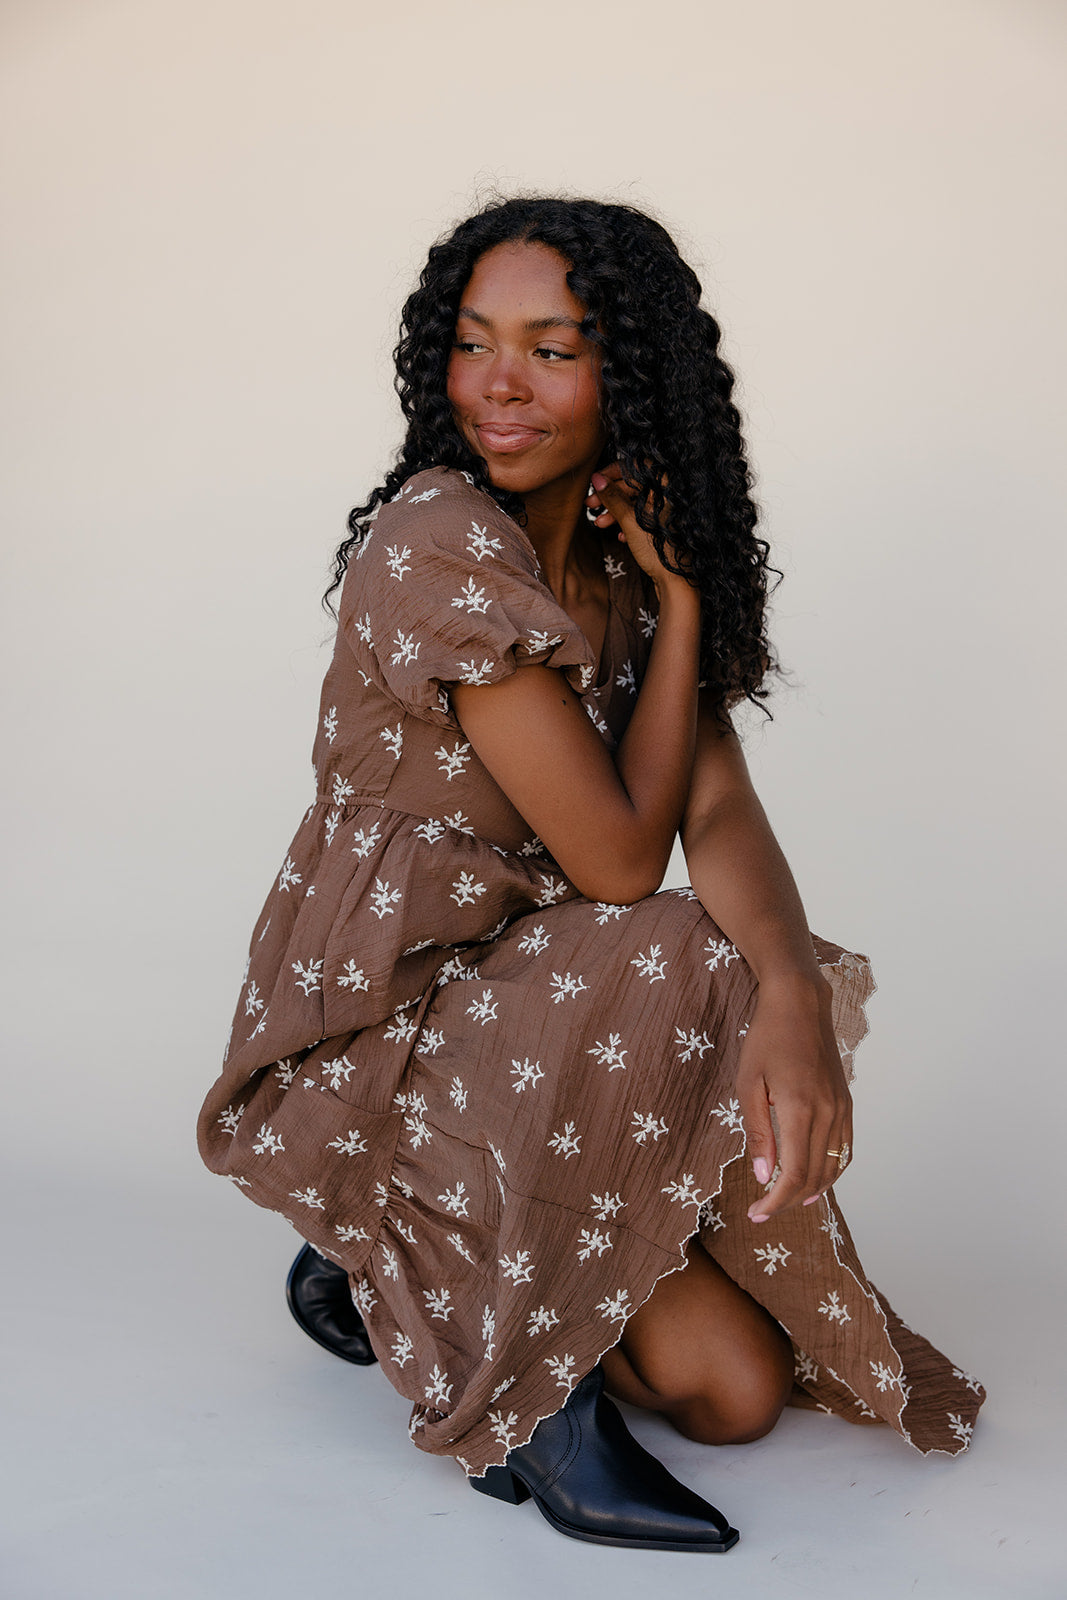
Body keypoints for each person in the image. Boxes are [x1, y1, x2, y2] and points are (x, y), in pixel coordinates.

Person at [197, 195, 984, 1553]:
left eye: (554, 350)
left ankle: (393, 1258)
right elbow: (625, 862)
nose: (500, 385)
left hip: (546, 1032)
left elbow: (717, 803)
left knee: (734, 1397)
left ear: (631, 375)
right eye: (476, 341)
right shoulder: (435, 542)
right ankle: (452, 1300)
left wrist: (791, 990)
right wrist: (684, 620)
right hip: (377, 1035)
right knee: (683, 940)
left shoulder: (628, 556)